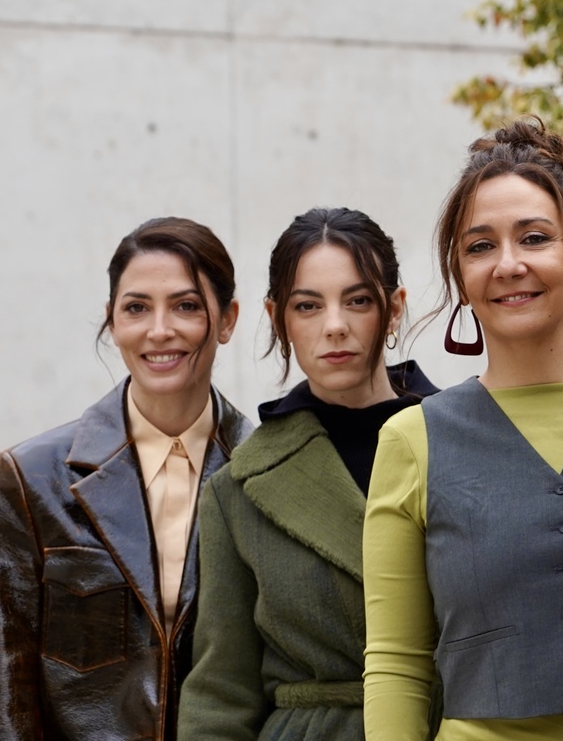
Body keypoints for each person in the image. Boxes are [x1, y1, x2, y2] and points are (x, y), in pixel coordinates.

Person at [362, 118, 563, 740]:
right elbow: (396, 663)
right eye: (480, 246)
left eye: (534, 238)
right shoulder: (413, 440)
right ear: (459, 274)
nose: (508, 264)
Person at [0, 217, 252, 740]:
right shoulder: (32, 479)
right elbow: (2, 691)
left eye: (186, 306)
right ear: (112, 321)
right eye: (136, 307)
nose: (159, 329)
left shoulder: (266, 470)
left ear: (228, 319)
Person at [177, 207, 439, 740]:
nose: (335, 326)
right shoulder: (237, 490)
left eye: (358, 300)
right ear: (279, 319)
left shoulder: (465, 444)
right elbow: (219, 693)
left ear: (393, 310)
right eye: (308, 306)